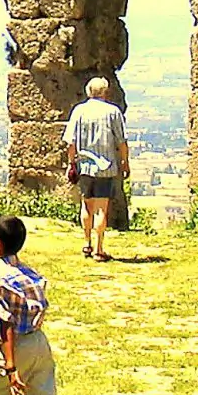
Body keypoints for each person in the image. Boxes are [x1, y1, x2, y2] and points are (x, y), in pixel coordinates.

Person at [0, 215, 57, 395]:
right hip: (39, 343)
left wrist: (10, 366)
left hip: (17, 346)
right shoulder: (28, 273)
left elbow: (6, 322)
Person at [62, 77, 130, 262]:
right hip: (106, 167)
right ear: (105, 92)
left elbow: (70, 142)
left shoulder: (79, 111)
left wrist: (72, 163)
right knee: (101, 208)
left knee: (86, 205)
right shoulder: (113, 112)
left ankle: (86, 242)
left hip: (84, 167)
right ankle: (99, 249)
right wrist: (125, 162)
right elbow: (122, 141)